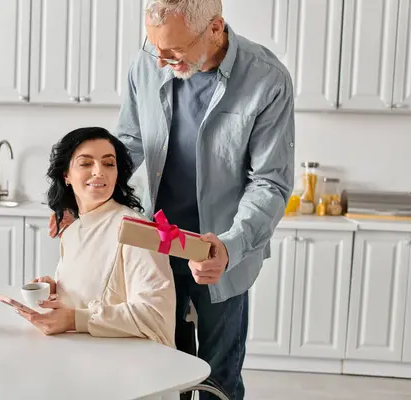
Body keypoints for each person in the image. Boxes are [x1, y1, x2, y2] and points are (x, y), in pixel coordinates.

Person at [49, 1, 295, 399]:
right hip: (153, 246)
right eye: (154, 47)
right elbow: (127, 144)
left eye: (173, 51)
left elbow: (270, 182)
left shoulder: (267, 80)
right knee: (160, 372)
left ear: (215, 28)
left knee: (219, 380)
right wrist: (74, 199)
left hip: (220, 251)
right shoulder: (148, 60)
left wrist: (228, 248)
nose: (160, 60)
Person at [20, 126, 177, 349]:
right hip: (83, 353)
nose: (99, 172)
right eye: (86, 163)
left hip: (131, 364)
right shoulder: (72, 231)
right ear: (66, 175)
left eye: (108, 163)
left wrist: (74, 319)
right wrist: (59, 291)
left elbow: (155, 315)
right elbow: (91, 300)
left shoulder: (138, 230)